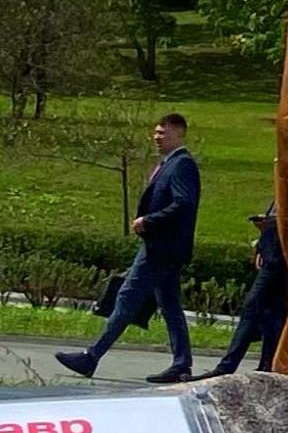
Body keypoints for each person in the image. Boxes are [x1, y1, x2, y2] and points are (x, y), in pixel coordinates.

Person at [58, 114, 200, 383]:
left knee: (127, 297)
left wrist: (149, 221)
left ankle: (91, 356)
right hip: (164, 248)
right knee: (170, 306)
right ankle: (181, 363)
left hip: (161, 249)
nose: (157, 138)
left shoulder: (182, 165)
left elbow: (184, 203)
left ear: (179, 135)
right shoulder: (170, 164)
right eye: (156, 132)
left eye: (163, 133)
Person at [204, 204, 287, 378]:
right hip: (272, 256)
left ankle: (231, 365)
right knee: (270, 312)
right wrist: (262, 244)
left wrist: (269, 225)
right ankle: (265, 365)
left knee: (255, 307)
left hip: (278, 260)